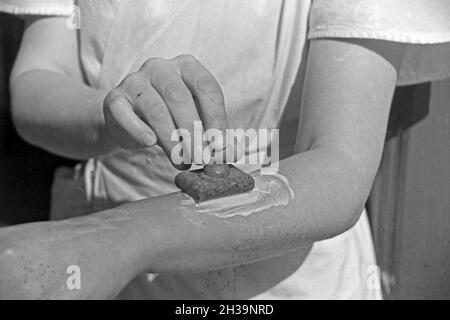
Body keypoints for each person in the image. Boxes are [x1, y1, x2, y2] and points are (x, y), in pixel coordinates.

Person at [1, 0, 449, 299]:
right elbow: (36, 82)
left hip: (279, 282)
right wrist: (113, 115)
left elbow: (339, 163)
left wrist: (114, 239)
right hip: (95, 268)